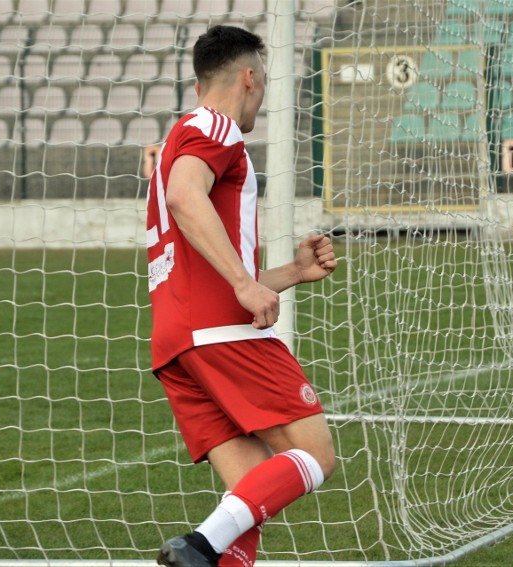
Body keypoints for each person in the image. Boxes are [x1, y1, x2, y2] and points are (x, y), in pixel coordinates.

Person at [145, 26, 337, 566]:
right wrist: (245, 283)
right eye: (266, 81)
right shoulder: (216, 127)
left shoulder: (181, 135)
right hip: (220, 333)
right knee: (315, 454)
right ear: (249, 78)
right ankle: (198, 545)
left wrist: (288, 274)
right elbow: (186, 197)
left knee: (252, 492)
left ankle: (210, 550)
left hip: (179, 340)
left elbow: (198, 249)